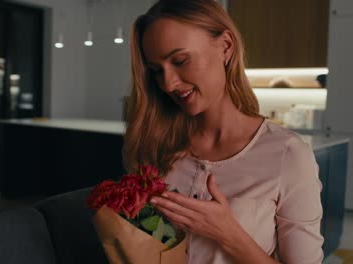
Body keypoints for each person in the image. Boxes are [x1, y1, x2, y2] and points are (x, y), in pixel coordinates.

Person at [123, 0, 324, 263]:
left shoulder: (289, 155)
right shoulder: (155, 145)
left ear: (226, 46)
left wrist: (229, 234)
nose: (168, 83)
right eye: (157, 71)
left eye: (181, 60)